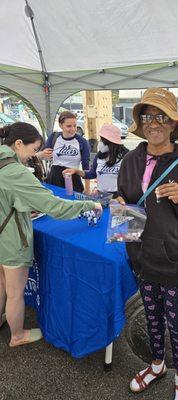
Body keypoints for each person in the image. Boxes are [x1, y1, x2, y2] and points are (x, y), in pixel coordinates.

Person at [116, 88, 178, 400]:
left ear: (173, 124)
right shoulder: (130, 160)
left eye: (162, 117)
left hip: (177, 261)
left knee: (176, 322)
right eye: (148, 116)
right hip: (143, 259)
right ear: (141, 123)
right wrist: (119, 203)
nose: (154, 123)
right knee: (152, 317)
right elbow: (126, 204)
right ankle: (157, 364)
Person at [0, 122, 102, 347]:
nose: (33, 155)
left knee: (1, 283)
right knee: (15, 293)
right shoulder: (15, 171)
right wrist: (88, 206)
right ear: (18, 144)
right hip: (10, 240)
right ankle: (17, 336)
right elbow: (54, 207)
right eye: (32, 149)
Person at [63, 123, 128, 197]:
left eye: (103, 140)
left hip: (119, 197)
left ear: (112, 143)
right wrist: (76, 171)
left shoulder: (125, 157)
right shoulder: (99, 156)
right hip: (101, 196)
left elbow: (131, 181)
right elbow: (92, 174)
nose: (100, 143)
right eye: (100, 139)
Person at [45, 111, 90, 192]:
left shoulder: (82, 141)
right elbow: (44, 155)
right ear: (60, 125)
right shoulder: (53, 137)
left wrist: (87, 189)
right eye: (69, 126)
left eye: (75, 125)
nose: (73, 129)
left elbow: (86, 166)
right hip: (54, 178)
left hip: (73, 178)